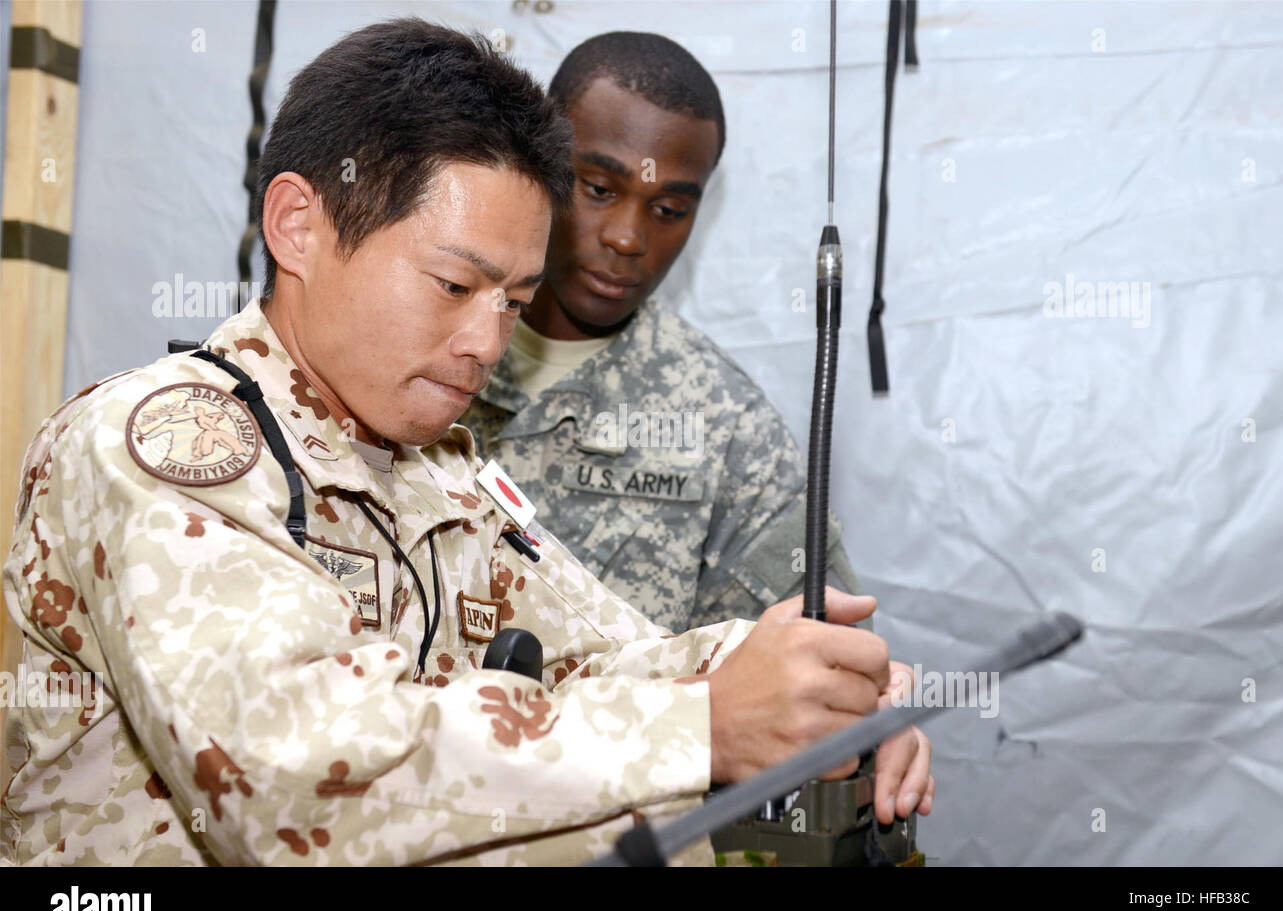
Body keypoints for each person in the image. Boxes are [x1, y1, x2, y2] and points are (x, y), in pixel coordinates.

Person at [2, 19, 932, 866]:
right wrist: (701, 726)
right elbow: (296, 779)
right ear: (298, 225)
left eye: (516, 303)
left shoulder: (433, 472)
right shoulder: (160, 448)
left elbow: (609, 656)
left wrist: (816, 687)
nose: (487, 343)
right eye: (453, 286)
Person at [459, 32, 862, 636]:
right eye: (598, 188)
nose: (627, 236)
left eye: (668, 210)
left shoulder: (728, 429)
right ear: (540, 157)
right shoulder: (423, 339)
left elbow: (827, 656)